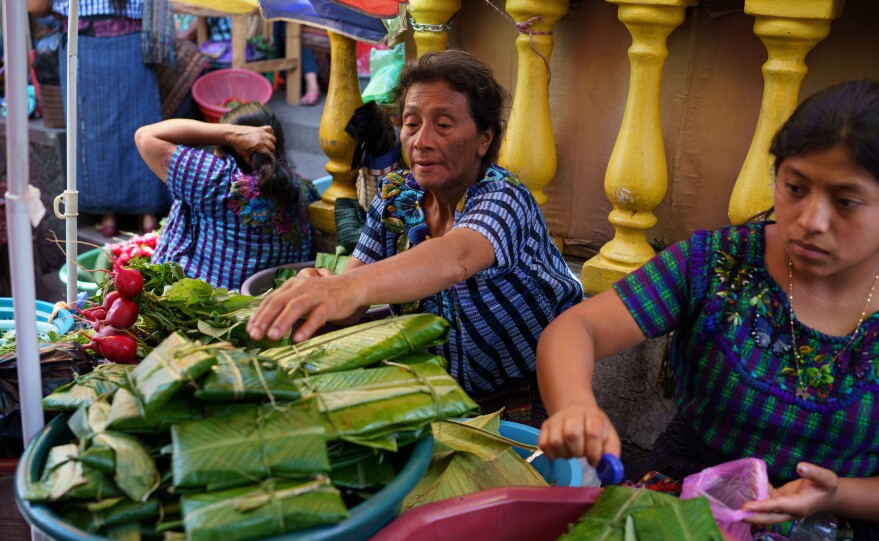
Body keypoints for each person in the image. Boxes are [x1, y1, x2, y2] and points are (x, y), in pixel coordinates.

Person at [536, 80, 879, 541]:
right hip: (696, 485)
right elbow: (577, 327)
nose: (811, 221)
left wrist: (837, 495)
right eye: (795, 188)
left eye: (847, 202)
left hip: (846, 527)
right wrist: (575, 408)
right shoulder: (719, 263)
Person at [247, 50, 584, 420]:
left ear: (483, 139)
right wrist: (322, 292)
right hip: (443, 390)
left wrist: (348, 287)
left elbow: (456, 257)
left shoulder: (504, 197)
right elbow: (354, 299)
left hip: (539, 386)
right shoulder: (396, 197)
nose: (421, 141)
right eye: (411, 123)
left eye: (443, 125)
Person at [135, 102, 319, 291]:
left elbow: (145, 135)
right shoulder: (305, 190)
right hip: (262, 304)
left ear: (231, 145)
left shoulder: (219, 181)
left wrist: (230, 133)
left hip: (200, 302)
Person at [27, 0, 171, 237]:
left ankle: (108, 216)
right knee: (141, 121)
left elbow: (35, 7)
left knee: (94, 130)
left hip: (84, 44)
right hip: (135, 43)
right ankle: (148, 216)